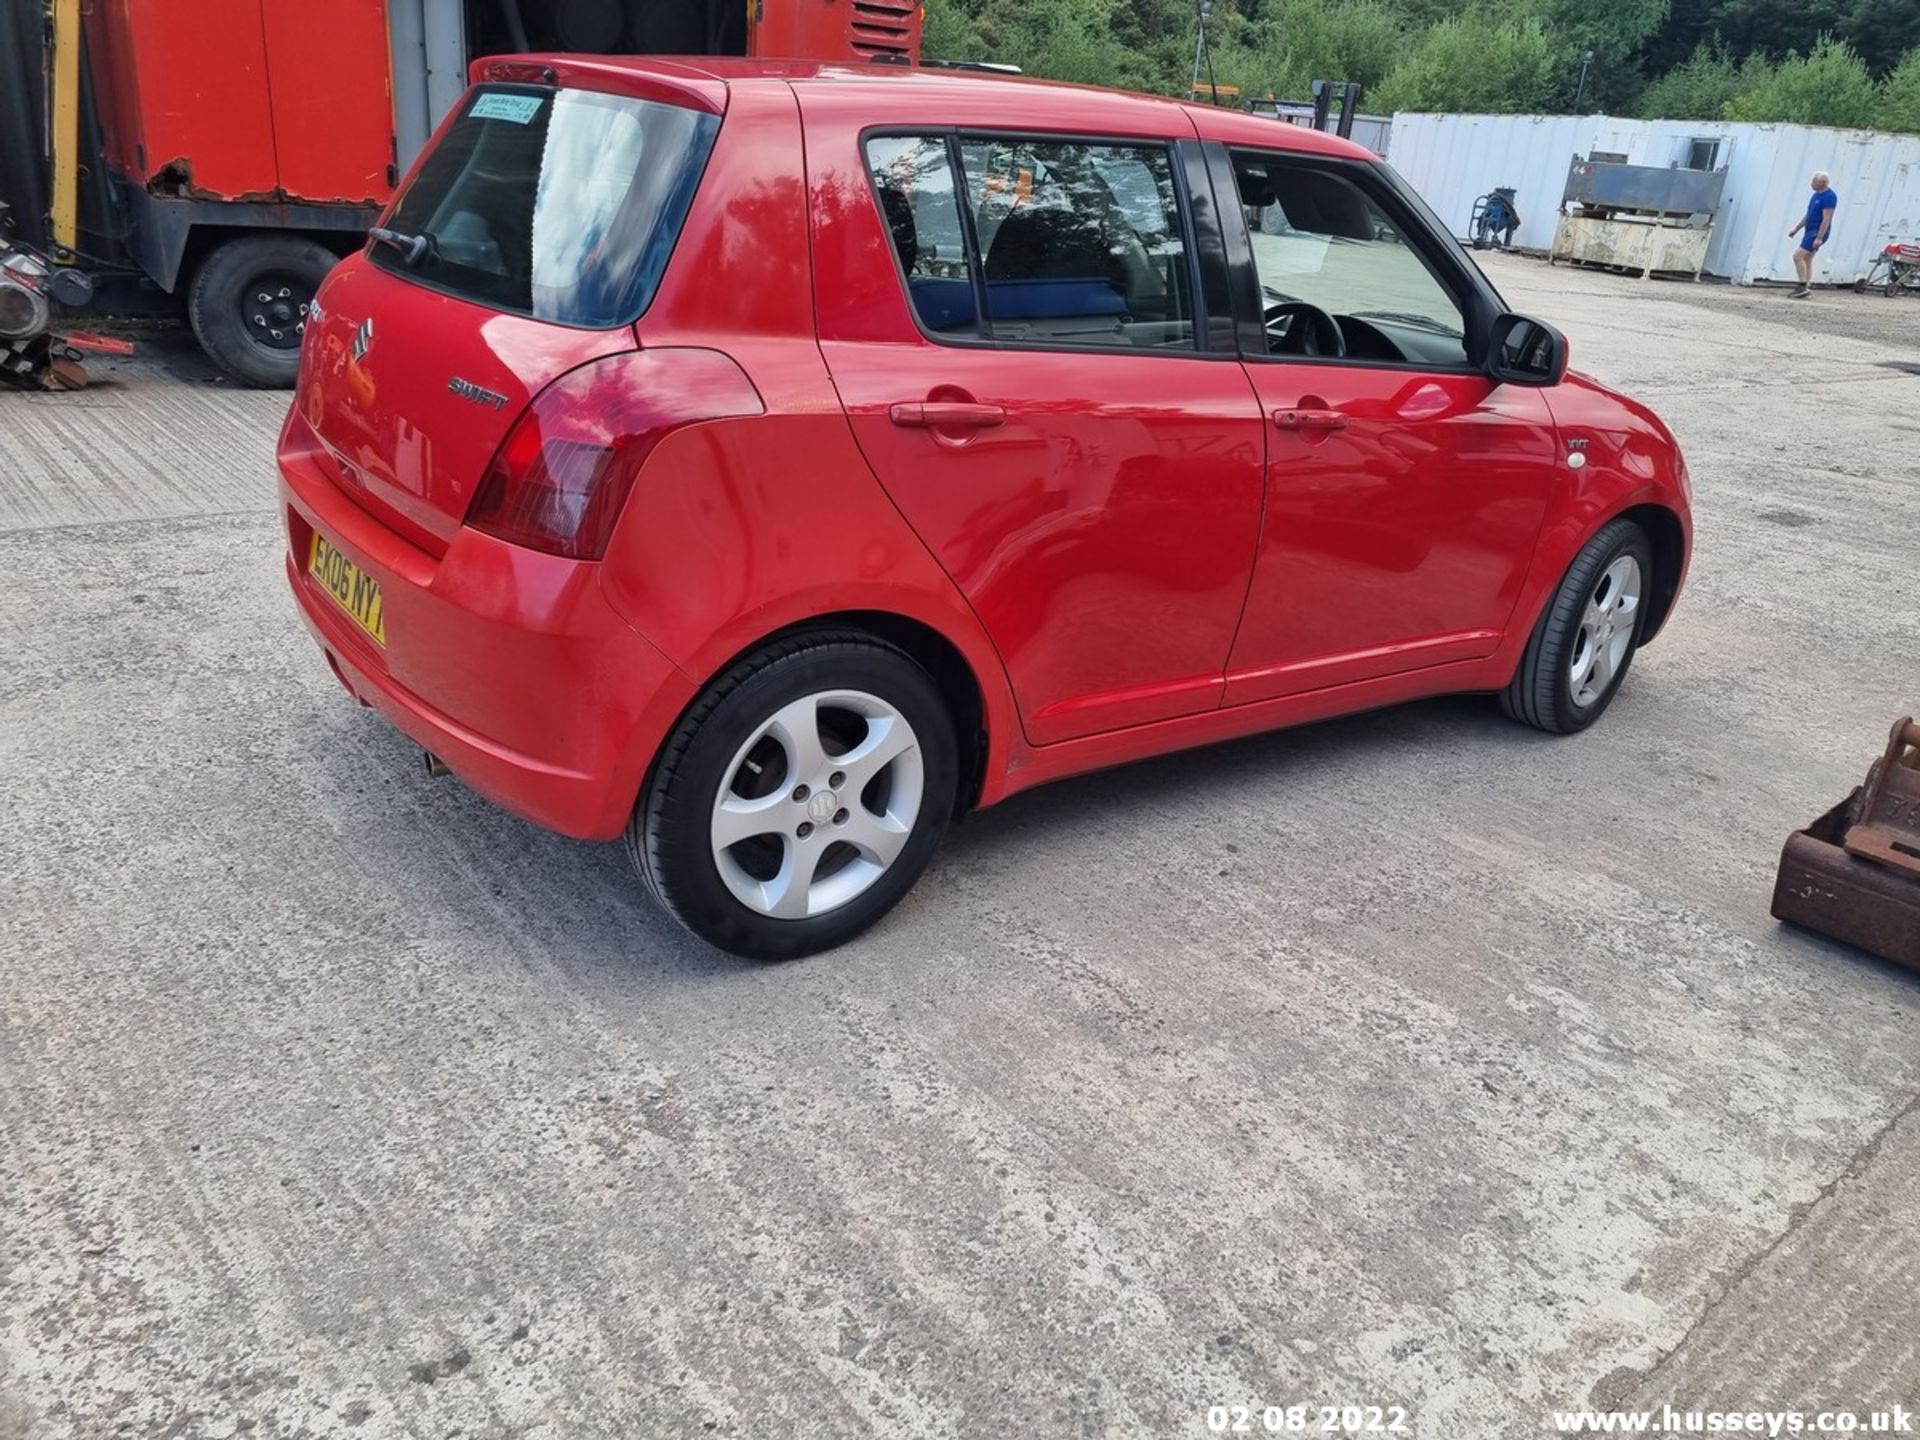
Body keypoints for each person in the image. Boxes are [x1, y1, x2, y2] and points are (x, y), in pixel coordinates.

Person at [1787, 171, 1836, 298]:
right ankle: (1806, 288)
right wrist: (1796, 229)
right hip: (1809, 231)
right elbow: (1809, 214)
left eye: (1814, 181)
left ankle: (1802, 286)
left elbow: (1826, 218)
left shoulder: (1829, 197)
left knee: (1797, 256)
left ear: (1821, 183)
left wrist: (1819, 237)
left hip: (1816, 232)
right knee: (1807, 259)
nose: (1811, 183)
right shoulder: (1816, 195)